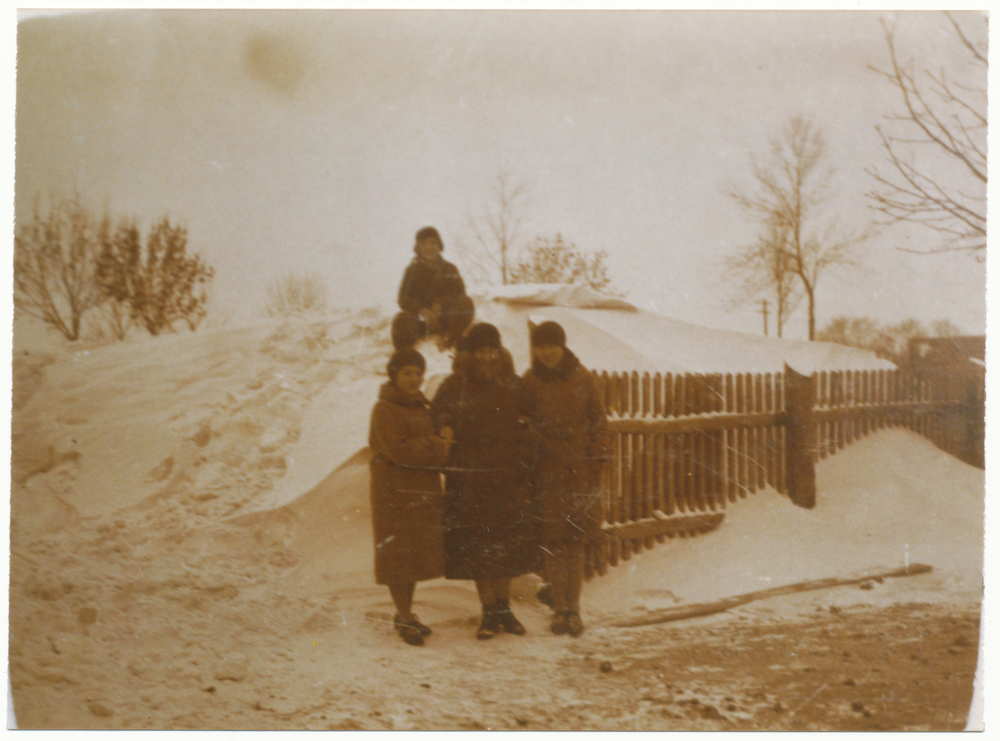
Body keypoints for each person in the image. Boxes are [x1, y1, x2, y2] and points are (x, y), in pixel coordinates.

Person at [431, 323, 541, 639]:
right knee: (478, 545)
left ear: (499, 351)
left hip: (506, 479)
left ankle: (504, 610)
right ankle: (488, 611)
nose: (486, 356)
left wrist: (523, 453)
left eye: (491, 349)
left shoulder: (513, 384)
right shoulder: (455, 385)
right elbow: (437, 412)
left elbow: (533, 420)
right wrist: (445, 425)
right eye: (480, 350)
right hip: (470, 481)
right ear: (470, 353)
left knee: (505, 544)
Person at [521, 321, 609, 637]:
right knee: (555, 543)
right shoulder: (530, 382)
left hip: (580, 473)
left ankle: (575, 610)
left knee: (576, 543)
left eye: (551, 345)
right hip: (548, 473)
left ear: (563, 345)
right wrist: (538, 445)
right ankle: (559, 610)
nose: (546, 352)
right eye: (540, 346)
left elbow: (598, 419)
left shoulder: (582, 377)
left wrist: (596, 457)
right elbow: (523, 422)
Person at [368, 348, 455, 646]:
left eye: (419, 373)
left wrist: (437, 442)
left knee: (414, 555)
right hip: (394, 494)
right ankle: (404, 615)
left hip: (419, 492)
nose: (414, 379)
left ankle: (406, 612)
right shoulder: (384, 409)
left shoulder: (421, 407)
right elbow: (399, 451)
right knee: (398, 557)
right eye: (407, 372)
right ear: (393, 374)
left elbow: (433, 451)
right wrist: (436, 443)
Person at [392, 226, 475, 351]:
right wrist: (421, 310)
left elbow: (461, 295)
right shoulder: (412, 270)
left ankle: (452, 339)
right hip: (421, 322)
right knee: (401, 319)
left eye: (433, 243)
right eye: (424, 244)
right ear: (418, 248)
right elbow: (403, 299)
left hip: (446, 318)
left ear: (439, 245)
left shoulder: (450, 268)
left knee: (466, 304)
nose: (429, 247)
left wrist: (442, 304)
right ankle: (406, 354)